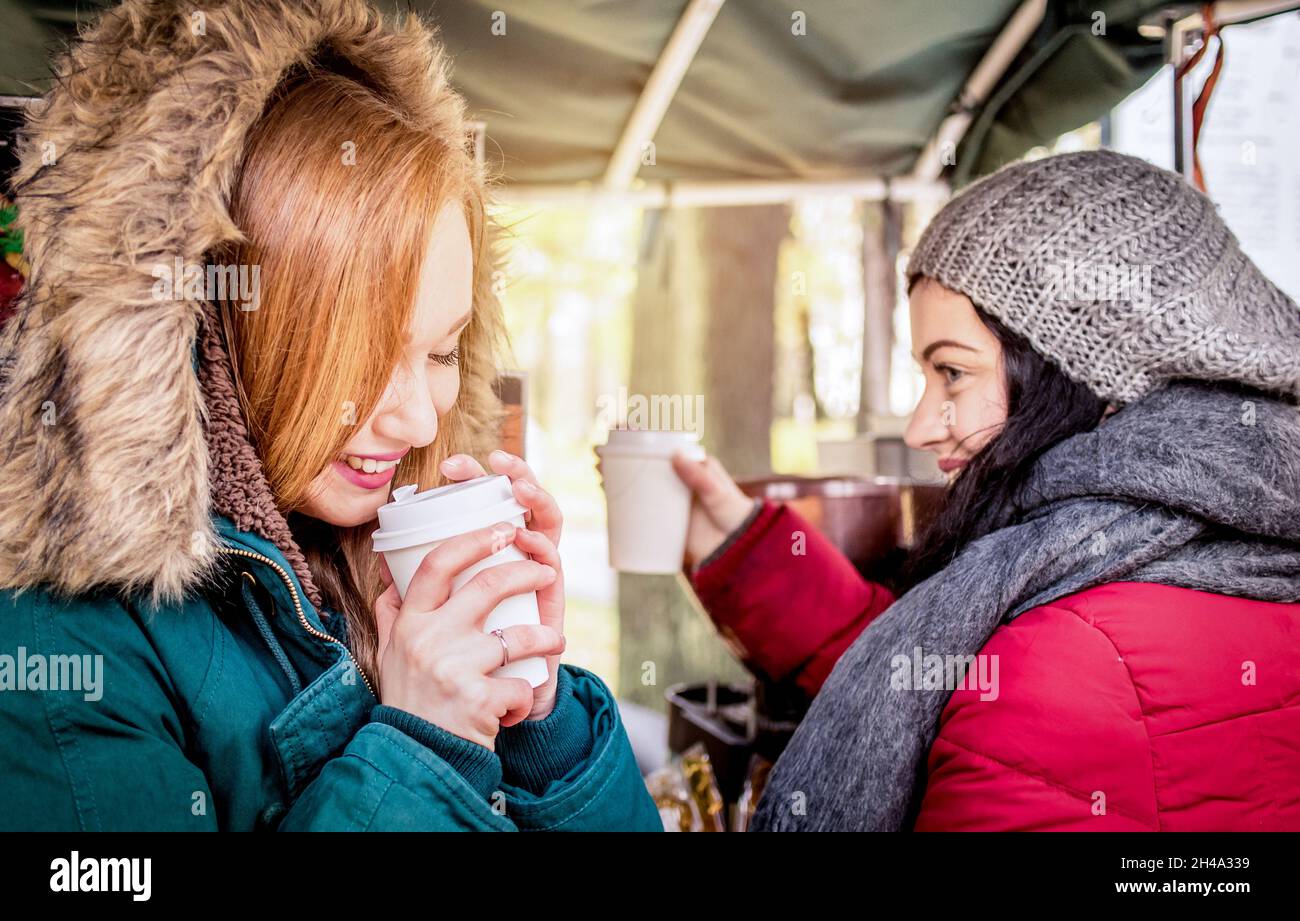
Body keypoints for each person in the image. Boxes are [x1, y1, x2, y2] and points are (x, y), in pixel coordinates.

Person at [0, 0, 659, 832]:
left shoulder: (371, 538)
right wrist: (423, 748)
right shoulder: (57, 644)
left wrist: (537, 715)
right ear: (221, 331)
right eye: (362, 361)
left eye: (443, 352)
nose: (422, 421)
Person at [672, 149, 1300, 831]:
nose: (918, 427)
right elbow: (925, 666)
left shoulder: (1047, 675)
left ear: (1101, 377)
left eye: (952, 372)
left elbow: (979, 684)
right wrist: (744, 547)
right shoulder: (1223, 545)